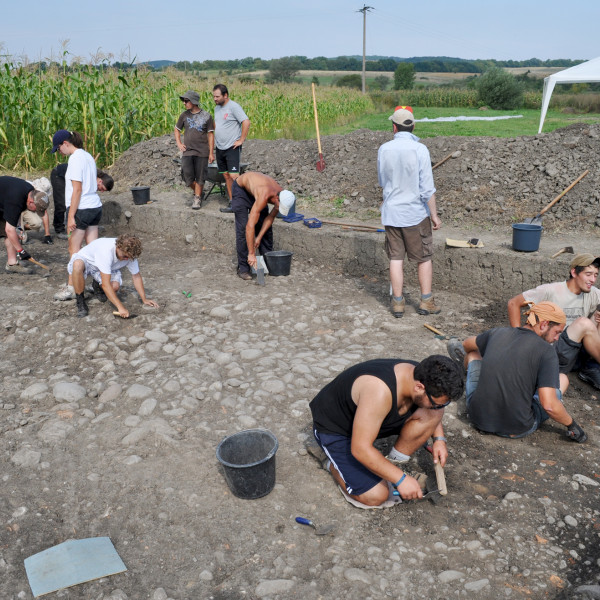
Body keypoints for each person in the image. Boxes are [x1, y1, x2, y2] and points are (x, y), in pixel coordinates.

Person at [309, 355, 464, 507]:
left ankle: (389, 465)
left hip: (370, 419)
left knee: (432, 413)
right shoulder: (378, 391)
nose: (439, 407)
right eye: (437, 403)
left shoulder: (424, 374)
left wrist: (439, 439)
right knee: (376, 496)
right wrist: (401, 479)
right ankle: (331, 463)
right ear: (419, 387)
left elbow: (434, 409)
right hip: (336, 430)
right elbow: (360, 449)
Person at [448, 301, 587, 443]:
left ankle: (465, 370)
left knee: (473, 355)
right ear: (544, 324)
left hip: (478, 417)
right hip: (516, 428)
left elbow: (466, 344)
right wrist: (572, 425)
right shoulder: (547, 352)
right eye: (557, 332)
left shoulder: (498, 332)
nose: (557, 338)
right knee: (562, 379)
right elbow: (549, 405)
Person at [377, 107, 441, 318]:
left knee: (396, 258)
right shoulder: (420, 149)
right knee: (423, 258)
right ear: (413, 126)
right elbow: (427, 189)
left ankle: (397, 303)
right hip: (414, 214)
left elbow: (381, 182)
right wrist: (434, 215)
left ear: (394, 127)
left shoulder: (384, 149)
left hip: (392, 213)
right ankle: (426, 302)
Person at [507, 254, 600, 392]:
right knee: (584, 323)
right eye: (588, 274)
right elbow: (513, 303)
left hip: (576, 352)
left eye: (596, 275)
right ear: (574, 272)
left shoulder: (593, 293)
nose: (593, 279)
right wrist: (519, 338)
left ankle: (590, 367)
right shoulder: (551, 290)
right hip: (554, 351)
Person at [51, 130, 114, 300]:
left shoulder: (75, 159)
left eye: (58, 148)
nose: (59, 152)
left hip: (82, 209)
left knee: (74, 250)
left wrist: (70, 216)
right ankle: (99, 283)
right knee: (93, 249)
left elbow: (77, 190)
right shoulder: (87, 156)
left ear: (65, 143)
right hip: (95, 207)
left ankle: (72, 287)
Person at [68, 234, 159, 318]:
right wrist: (121, 307)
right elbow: (106, 284)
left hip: (109, 266)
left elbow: (136, 276)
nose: (126, 259)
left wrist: (144, 299)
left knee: (114, 287)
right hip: (88, 261)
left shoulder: (130, 254)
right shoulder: (106, 251)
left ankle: (96, 285)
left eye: (129, 257)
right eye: (124, 257)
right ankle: (80, 301)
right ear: (118, 247)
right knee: (77, 265)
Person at [230, 172, 295, 280]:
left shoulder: (282, 195)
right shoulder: (264, 195)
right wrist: (251, 253)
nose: (278, 208)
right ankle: (243, 268)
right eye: (279, 206)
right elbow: (250, 226)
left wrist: (258, 237)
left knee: (266, 230)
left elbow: (270, 218)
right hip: (241, 190)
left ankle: (267, 261)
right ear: (277, 199)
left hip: (255, 192)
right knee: (242, 229)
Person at [212, 84, 250, 213]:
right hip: (220, 147)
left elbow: (246, 121)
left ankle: (244, 202)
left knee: (234, 176)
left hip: (232, 147)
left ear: (225, 95)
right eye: (214, 96)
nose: (215, 99)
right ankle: (233, 203)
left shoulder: (234, 107)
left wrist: (241, 140)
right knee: (227, 176)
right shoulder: (217, 108)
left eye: (217, 96)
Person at [174, 90, 215, 210]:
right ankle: (199, 191)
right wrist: (179, 143)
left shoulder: (207, 116)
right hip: (188, 151)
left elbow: (211, 134)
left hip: (202, 151)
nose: (184, 103)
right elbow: (177, 129)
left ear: (193, 101)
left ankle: (197, 198)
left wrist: (211, 153)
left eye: (186, 101)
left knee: (200, 176)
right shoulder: (184, 115)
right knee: (187, 176)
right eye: (184, 101)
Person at [0, 176, 49, 274]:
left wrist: (17, 230)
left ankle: (12, 264)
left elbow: (15, 216)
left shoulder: (30, 192)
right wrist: (21, 251)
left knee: (11, 235)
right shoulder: (16, 199)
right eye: (36, 209)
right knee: (10, 233)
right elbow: (9, 230)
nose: (35, 211)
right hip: (5, 201)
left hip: (3, 202)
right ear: (31, 202)